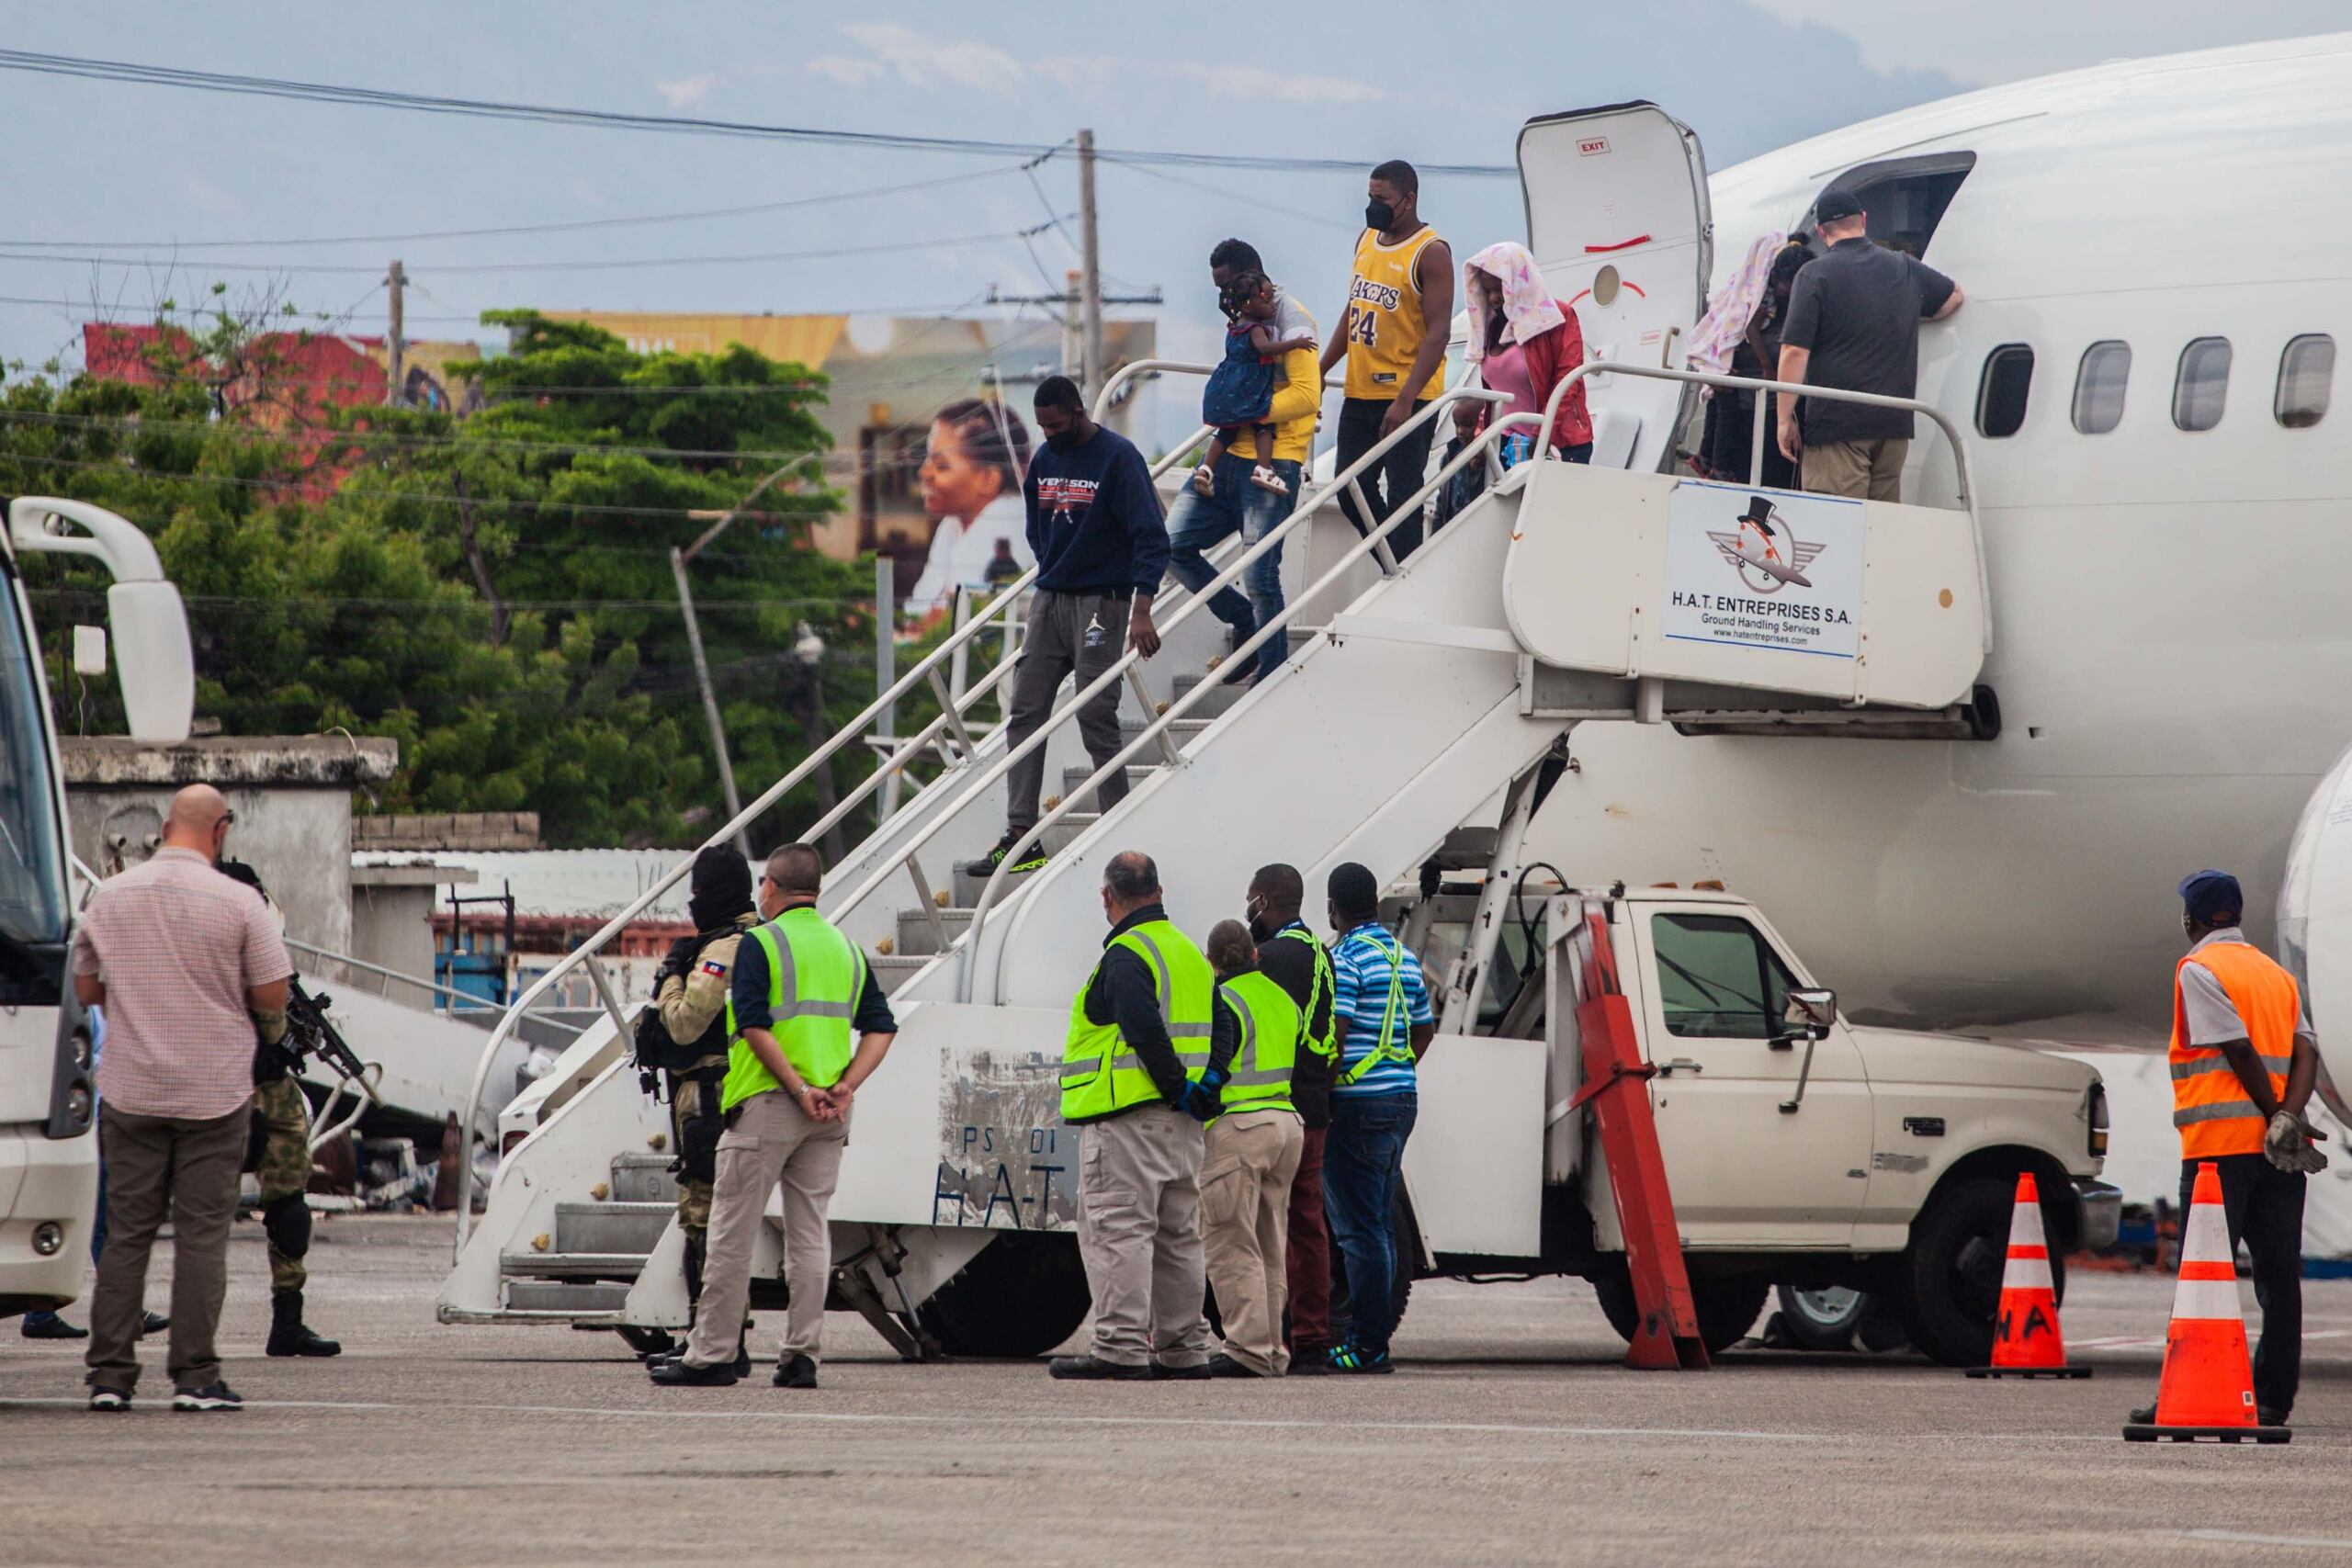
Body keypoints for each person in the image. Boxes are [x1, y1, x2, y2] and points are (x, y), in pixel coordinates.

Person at [74, 784, 292, 1413]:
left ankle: (110, 1374)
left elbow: (86, 985)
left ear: (165, 827)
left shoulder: (109, 897)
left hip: (132, 1089)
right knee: (201, 1236)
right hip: (214, 1093)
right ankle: (195, 1375)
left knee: (124, 1235)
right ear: (220, 830)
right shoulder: (240, 902)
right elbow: (273, 993)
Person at [650, 843, 898, 1390]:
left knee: (730, 1232)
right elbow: (882, 1027)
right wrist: (844, 1086)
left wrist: (798, 1088)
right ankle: (800, 1356)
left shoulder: (760, 943)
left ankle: (711, 1353)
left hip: (767, 1105)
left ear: (771, 886)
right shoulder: (846, 949)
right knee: (810, 1235)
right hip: (829, 1115)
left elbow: (755, 1027)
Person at [2127, 870, 2324, 1431]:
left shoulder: (2198, 969)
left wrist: (2270, 1115)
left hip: (2220, 1152)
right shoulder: (2277, 976)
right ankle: (2271, 1401)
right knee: (2279, 1278)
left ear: (2191, 919)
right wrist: (2289, 1118)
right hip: (2281, 1154)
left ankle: (2184, 1395)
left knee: (2202, 1275)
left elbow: (2237, 1047)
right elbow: (2306, 1053)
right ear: (2235, 916)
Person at [968, 377, 1168, 877]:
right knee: (1025, 709)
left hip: (1103, 603)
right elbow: (1037, 530)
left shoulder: (1118, 458)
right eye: (1042, 426)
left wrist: (1141, 608)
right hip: (1051, 599)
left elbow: (1151, 537)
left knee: (1094, 711)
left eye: (1055, 424)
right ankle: (1020, 837)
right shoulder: (1044, 459)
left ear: (1078, 412)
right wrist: (1057, 569)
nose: (1048, 434)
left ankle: (1119, 826)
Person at [1049, 851, 1216, 1380]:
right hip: (1183, 1124)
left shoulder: (1124, 955)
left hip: (1127, 1120)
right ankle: (1185, 1349)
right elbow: (1226, 1022)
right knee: (1179, 1236)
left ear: (1108, 896)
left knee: (1119, 1231)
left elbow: (1142, 1029)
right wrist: (1202, 1088)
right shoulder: (1190, 954)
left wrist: (1172, 1085)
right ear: (1160, 891)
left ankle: (1120, 1348)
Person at [1166, 241, 1321, 689]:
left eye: (1227, 285)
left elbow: (1308, 396)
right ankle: (1243, 623)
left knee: (1260, 574)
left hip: (1273, 463)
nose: (1222, 299)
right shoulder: (1241, 320)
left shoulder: (1291, 319)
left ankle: (1271, 669)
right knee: (1172, 545)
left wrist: (1244, 409)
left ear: (1252, 278)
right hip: (1228, 457)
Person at [213, 858, 339, 1359]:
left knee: (289, 1208)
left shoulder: (264, 952)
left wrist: (287, 1045)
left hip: (268, 1091)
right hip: (216, 1088)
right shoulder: (203, 952)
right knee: (193, 1208)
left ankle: (288, 1320)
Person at [636, 844, 760, 1335]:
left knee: (704, 1216)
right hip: (744, 1093)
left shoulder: (724, 948)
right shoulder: (766, 935)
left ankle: (709, 1336)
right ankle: (723, 1334)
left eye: (700, 893)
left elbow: (686, 1024)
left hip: (710, 1096)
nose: (693, 904)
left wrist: (670, 979)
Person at [1775, 188, 1963, 502]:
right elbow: (1953, 297)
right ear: (1863, 220)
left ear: (1821, 232)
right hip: (1893, 425)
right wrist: (1905, 318)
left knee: (1838, 525)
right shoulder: (1903, 266)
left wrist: (1784, 419)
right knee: (1881, 529)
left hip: (1838, 426)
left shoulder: (1814, 274)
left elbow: (1794, 351)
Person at [1319, 862, 1433, 1374]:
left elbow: (1337, 1035)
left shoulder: (1344, 958)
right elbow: (1424, 1032)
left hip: (1356, 1104)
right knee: (1379, 1224)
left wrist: (1324, 1090)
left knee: (1359, 1231)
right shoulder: (1404, 956)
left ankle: (1368, 1347)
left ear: (1332, 908)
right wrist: (1394, 1067)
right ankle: (1374, 1340)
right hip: (1400, 1099)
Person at [1321, 160, 1453, 562]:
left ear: (1408, 200)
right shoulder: (1367, 239)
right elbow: (1355, 308)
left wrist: (1406, 398)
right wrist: (1322, 366)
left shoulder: (1431, 252)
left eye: (1382, 199)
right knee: (1349, 487)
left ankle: (1405, 578)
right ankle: (1398, 568)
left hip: (1407, 395)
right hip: (1361, 391)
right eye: (1369, 197)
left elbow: (1438, 333)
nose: (1373, 207)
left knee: (1403, 496)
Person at [18, 1008, 168, 1343]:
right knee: (104, 1222)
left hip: (90, 1123)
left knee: (91, 1219)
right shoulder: (85, 1007)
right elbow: (80, 1059)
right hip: (85, 1125)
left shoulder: (100, 1005)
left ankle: (41, 1311)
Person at [1198, 919, 1306, 1378]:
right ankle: (1270, 1348)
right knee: (1270, 1243)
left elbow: (1211, 1061)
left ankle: (1245, 1347)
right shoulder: (1283, 999)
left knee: (1231, 1241)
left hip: (1240, 1127)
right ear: (1256, 955)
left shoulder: (1221, 1000)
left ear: (1211, 963)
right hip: (1287, 1126)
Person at [1243, 863, 1339, 1370]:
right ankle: (1313, 1341)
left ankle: (1260, 1339)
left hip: (1273, 1105)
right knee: (1307, 1226)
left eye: (1250, 900)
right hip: (1317, 1108)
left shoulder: (1266, 957)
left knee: (1256, 1225)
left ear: (1263, 902)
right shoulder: (1321, 954)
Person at [1691, 232, 1807, 488]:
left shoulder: (1790, 303)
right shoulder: (1759, 298)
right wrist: (1766, 367)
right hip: (1749, 398)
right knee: (1726, 421)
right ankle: (1714, 464)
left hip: (1772, 405)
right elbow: (1746, 328)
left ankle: (1712, 461)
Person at [1462, 240, 1592, 465]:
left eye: (1500, 288)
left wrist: (1541, 432)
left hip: (1557, 443)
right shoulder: (1492, 326)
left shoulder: (1556, 316)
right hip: (1509, 443)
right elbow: (1494, 394)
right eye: (1487, 290)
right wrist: (1481, 436)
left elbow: (1568, 380)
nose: (1493, 298)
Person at [905, 398, 1035, 617]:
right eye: (928, 461)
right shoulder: (953, 524)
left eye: (941, 465)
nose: (924, 473)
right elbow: (921, 610)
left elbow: (959, 619)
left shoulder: (1006, 519)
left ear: (987, 479)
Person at [1194, 267, 1316, 499]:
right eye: (1267, 300)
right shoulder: (1256, 328)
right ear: (1248, 305)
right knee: (1263, 426)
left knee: (1226, 432)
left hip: (1226, 385)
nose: (1274, 305)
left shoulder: (1235, 325)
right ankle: (1263, 468)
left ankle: (1206, 468)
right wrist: (1294, 344)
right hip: (1247, 388)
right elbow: (1265, 348)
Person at [1427, 399, 1490, 536]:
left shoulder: (1493, 458)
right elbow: (1442, 503)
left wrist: (1479, 467)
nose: (1460, 431)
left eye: (1468, 425)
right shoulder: (1449, 457)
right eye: (1457, 425)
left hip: (1477, 531)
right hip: (1452, 529)